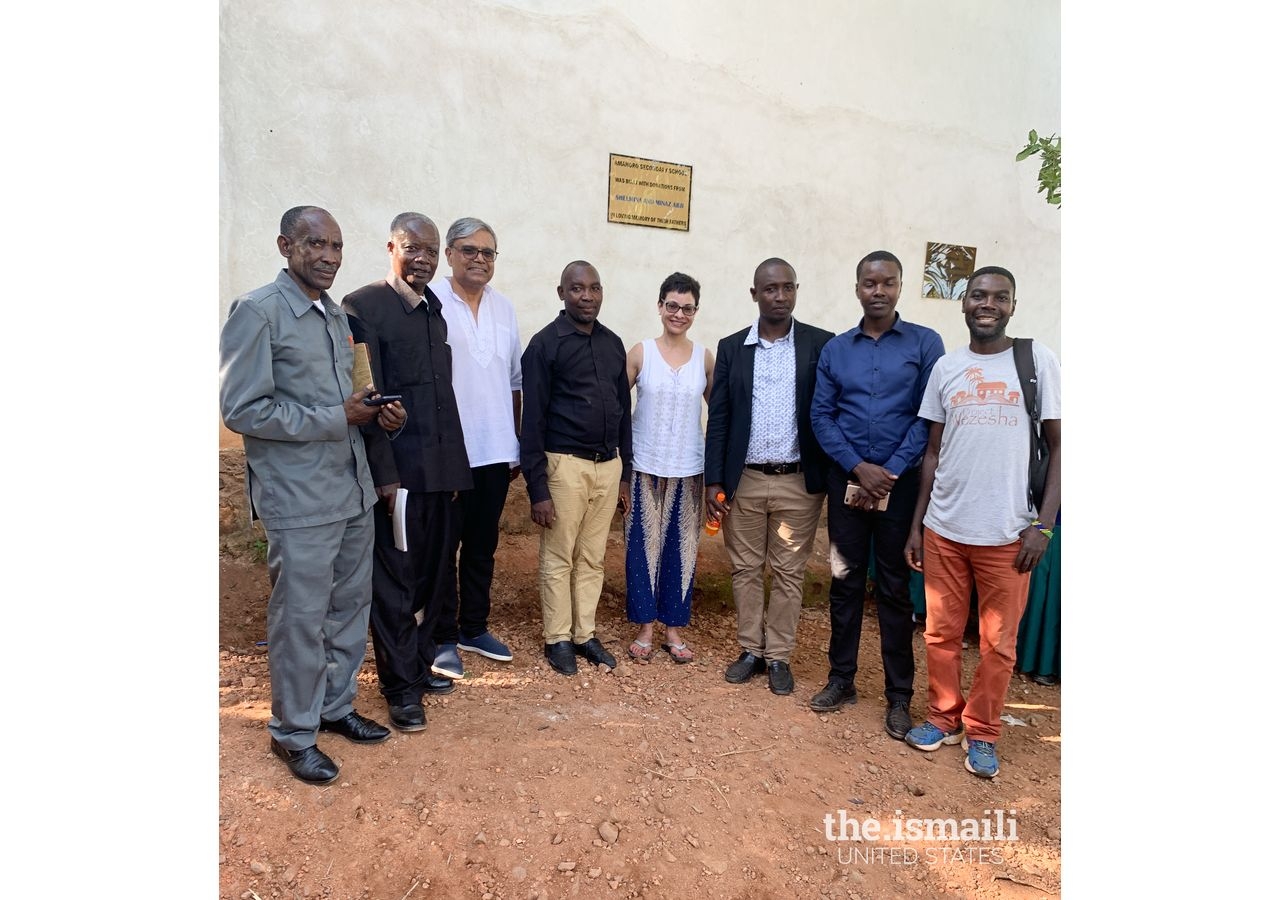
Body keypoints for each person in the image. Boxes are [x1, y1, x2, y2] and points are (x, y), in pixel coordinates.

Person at [219, 206, 401, 785]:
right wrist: (336, 416)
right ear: (284, 245)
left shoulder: (334, 314)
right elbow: (241, 409)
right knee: (300, 618)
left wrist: (379, 415)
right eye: (315, 243)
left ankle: (334, 707)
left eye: (337, 246)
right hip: (299, 498)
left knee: (350, 607)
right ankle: (293, 733)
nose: (328, 256)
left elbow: (354, 395)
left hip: (351, 489)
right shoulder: (257, 313)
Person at [903, 265, 1061, 779]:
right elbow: (931, 453)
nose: (987, 304)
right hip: (945, 527)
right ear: (963, 303)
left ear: (1013, 305)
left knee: (998, 643)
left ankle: (984, 731)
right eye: (978, 295)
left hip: (1008, 533)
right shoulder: (947, 368)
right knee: (939, 634)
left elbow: (1061, 448)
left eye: (999, 296)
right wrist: (917, 524)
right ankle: (943, 717)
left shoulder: (1037, 361)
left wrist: (1044, 525)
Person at [341, 212, 473, 733]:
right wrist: (385, 475)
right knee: (396, 584)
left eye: (431, 250)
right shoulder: (364, 308)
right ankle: (399, 689)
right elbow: (366, 399)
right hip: (398, 476)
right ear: (391, 247)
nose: (423, 258)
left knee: (436, 579)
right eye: (413, 247)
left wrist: (456, 473)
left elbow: (443, 398)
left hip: (441, 473)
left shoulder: (435, 309)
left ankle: (417, 669)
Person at [808, 250, 945, 740]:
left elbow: (928, 417)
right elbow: (822, 416)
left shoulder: (926, 344)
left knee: (891, 588)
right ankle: (841, 679)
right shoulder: (836, 350)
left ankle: (899, 697)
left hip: (900, 485)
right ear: (857, 288)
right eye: (870, 283)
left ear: (901, 287)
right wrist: (858, 468)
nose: (878, 291)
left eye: (888, 282)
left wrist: (886, 471)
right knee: (844, 581)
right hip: (847, 481)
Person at [705, 258, 834, 695]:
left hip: (798, 482)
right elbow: (719, 417)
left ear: (796, 290)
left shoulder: (821, 344)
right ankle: (750, 650)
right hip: (744, 480)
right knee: (744, 568)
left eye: (787, 288)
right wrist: (713, 481)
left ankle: (777, 655)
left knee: (788, 571)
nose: (779, 297)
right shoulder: (731, 347)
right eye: (770, 289)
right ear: (754, 294)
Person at [521, 261, 633, 676]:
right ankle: (557, 638)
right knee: (558, 557)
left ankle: (584, 634)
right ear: (561, 293)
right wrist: (538, 489)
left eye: (594, 288)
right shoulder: (545, 345)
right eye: (577, 289)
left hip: (608, 467)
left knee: (593, 557)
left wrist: (624, 474)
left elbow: (624, 412)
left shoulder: (613, 344)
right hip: (564, 466)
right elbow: (531, 420)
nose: (587, 296)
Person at [429, 217, 521, 673]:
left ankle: (474, 626)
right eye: (469, 250)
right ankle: (441, 636)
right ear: (449, 254)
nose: (479, 259)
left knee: (482, 543)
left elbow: (514, 381)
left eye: (488, 252)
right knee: (443, 547)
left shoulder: (505, 309)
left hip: (495, 449)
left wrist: (515, 443)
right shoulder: (433, 301)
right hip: (448, 450)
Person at [622, 272, 715, 664]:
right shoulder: (640, 352)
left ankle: (673, 630)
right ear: (660, 306)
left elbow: (720, 413)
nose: (679, 313)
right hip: (644, 465)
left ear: (695, 311)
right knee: (641, 549)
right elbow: (614, 409)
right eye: (672, 305)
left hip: (688, 470)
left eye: (687, 308)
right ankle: (645, 628)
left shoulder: (703, 357)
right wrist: (620, 470)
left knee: (682, 551)